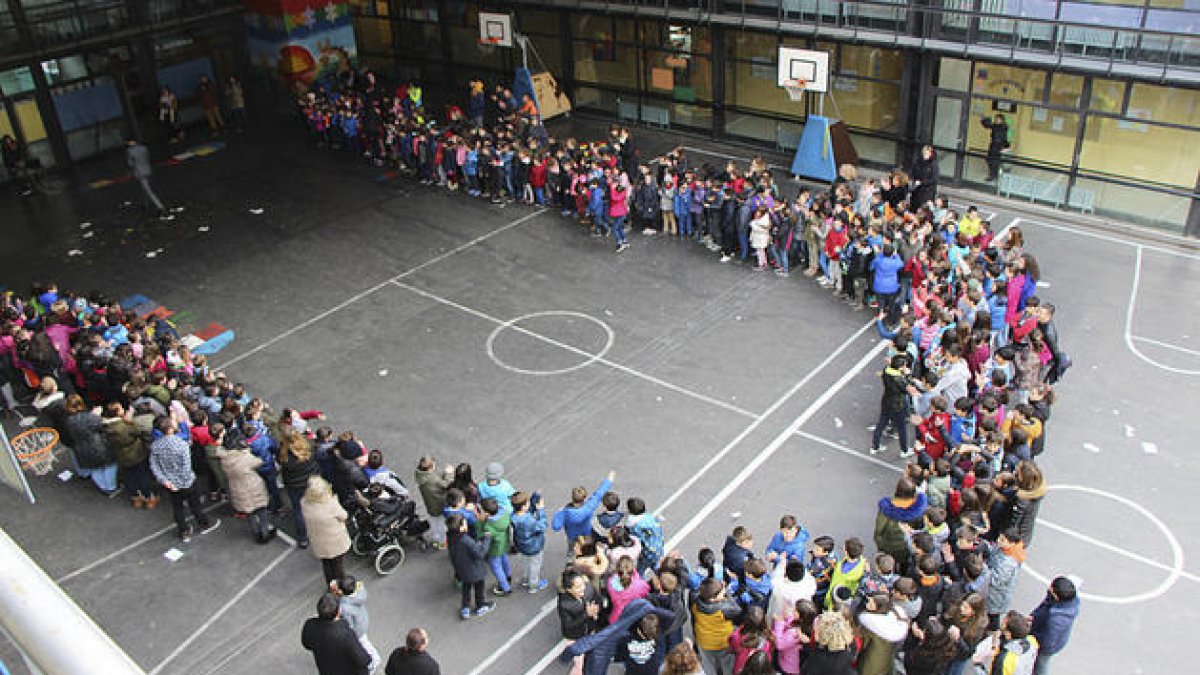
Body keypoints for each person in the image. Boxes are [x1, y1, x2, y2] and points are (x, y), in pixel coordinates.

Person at [150, 415, 220, 542]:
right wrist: (185, 480)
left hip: (170, 483)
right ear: (170, 428)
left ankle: (184, 531)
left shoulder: (156, 446)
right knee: (195, 505)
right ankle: (204, 524)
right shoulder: (181, 444)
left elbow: (154, 466)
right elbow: (186, 465)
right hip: (186, 482)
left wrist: (165, 481)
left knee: (177, 508)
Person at [216, 436, 276, 543]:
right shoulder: (244, 458)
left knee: (250, 514)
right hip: (252, 487)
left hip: (237, 488)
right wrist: (246, 451)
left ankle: (256, 533)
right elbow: (259, 461)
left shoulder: (224, 459)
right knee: (262, 511)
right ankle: (265, 533)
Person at [301, 592, 370, 675]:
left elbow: (306, 644)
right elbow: (362, 660)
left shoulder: (310, 625)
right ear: (337, 613)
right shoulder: (345, 634)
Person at [64, 394, 119, 496]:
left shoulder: (69, 421)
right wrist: (97, 415)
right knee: (109, 465)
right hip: (98, 446)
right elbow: (103, 424)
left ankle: (103, 487)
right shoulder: (90, 417)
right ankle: (111, 487)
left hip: (82, 449)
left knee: (94, 468)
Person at [303, 475, 351, 583]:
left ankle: (330, 584)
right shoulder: (330, 505)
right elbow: (344, 516)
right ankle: (342, 586)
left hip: (318, 540)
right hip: (335, 541)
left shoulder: (304, 503)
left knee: (326, 563)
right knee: (338, 565)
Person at [446, 512, 495, 620]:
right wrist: (487, 539)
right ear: (461, 528)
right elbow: (480, 553)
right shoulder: (466, 540)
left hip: (462, 570)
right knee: (479, 588)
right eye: (464, 523)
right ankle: (480, 606)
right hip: (475, 570)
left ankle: (465, 608)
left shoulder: (450, 537)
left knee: (466, 588)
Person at [1029, 576, 1079, 675]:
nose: (1049, 588)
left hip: (1047, 646)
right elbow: (1045, 604)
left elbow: (1048, 642)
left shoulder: (1056, 619)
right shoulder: (1069, 600)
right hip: (1047, 634)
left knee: (1041, 664)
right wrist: (1034, 615)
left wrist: (1032, 636)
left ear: (1056, 596)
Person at [552, 470, 615, 544]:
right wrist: (609, 480)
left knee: (572, 548)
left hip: (572, 535)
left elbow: (556, 527)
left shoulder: (565, 512)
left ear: (572, 497)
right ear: (584, 497)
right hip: (586, 533)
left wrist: (558, 513)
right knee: (587, 549)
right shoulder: (588, 507)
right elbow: (599, 494)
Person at [332, 576, 380, 673]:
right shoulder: (360, 590)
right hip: (363, 619)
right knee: (364, 641)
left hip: (358, 629)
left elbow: (348, 624)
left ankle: (374, 660)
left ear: (341, 591)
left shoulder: (344, 607)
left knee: (364, 644)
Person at [510, 491, 549, 592]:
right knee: (535, 565)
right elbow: (542, 526)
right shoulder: (529, 521)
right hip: (534, 546)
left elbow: (528, 511)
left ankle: (525, 579)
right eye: (527, 503)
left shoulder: (514, 516)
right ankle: (533, 585)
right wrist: (541, 511)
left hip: (522, 545)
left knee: (526, 562)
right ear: (523, 507)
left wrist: (534, 498)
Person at [124, 137, 172, 220]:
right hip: (148, 170)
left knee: (148, 191)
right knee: (146, 188)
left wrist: (131, 171)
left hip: (140, 172)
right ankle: (146, 204)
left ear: (129, 142)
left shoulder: (129, 151)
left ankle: (161, 208)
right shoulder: (144, 147)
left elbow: (130, 164)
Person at [981, 113, 1009, 181]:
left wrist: (1005, 147)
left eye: (998, 119)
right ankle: (993, 174)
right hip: (993, 145)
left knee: (995, 161)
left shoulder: (1003, 127)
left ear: (1002, 120)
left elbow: (1004, 138)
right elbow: (988, 125)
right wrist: (984, 119)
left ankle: (993, 175)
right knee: (990, 160)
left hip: (998, 146)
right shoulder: (996, 126)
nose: (996, 120)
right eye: (996, 119)